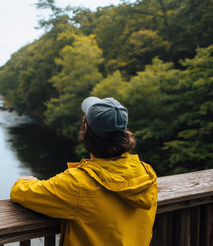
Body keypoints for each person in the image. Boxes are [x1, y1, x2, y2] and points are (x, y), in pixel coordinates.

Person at [10, 97, 158, 246]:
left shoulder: (78, 184)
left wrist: (25, 181)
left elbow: (20, 192)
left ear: (86, 129)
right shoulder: (146, 173)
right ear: (124, 134)